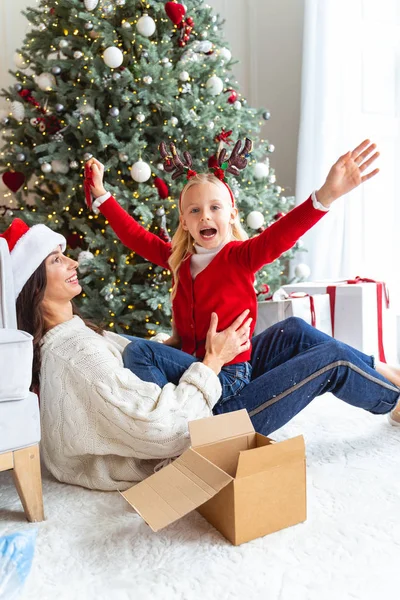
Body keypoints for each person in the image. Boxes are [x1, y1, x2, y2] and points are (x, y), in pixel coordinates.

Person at [2, 219, 400, 494]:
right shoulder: (75, 355)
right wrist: (210, 362)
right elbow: (162, 428)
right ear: (33, 287)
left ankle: (380, 370)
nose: (73, 262)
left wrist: (178, 348)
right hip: (197, 431)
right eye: (56, 260)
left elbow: (135, 362)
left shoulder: (74, 335)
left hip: (193, 396)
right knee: (330, 359)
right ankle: (393, 396)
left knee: (291, 332)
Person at [84, 138, 379, 403]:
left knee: (139, 353)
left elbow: (282, 234)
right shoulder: (178, 259)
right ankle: (171, 408)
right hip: (195, 365)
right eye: (195, 210)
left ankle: (168, 417)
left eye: (215, 208)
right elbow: (135, 236)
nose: (205, 216)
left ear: (232, 214)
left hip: (229, 375)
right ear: (184, 221)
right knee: (120, 342)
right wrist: (101, 195)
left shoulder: (241, 257)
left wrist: (324, 196)